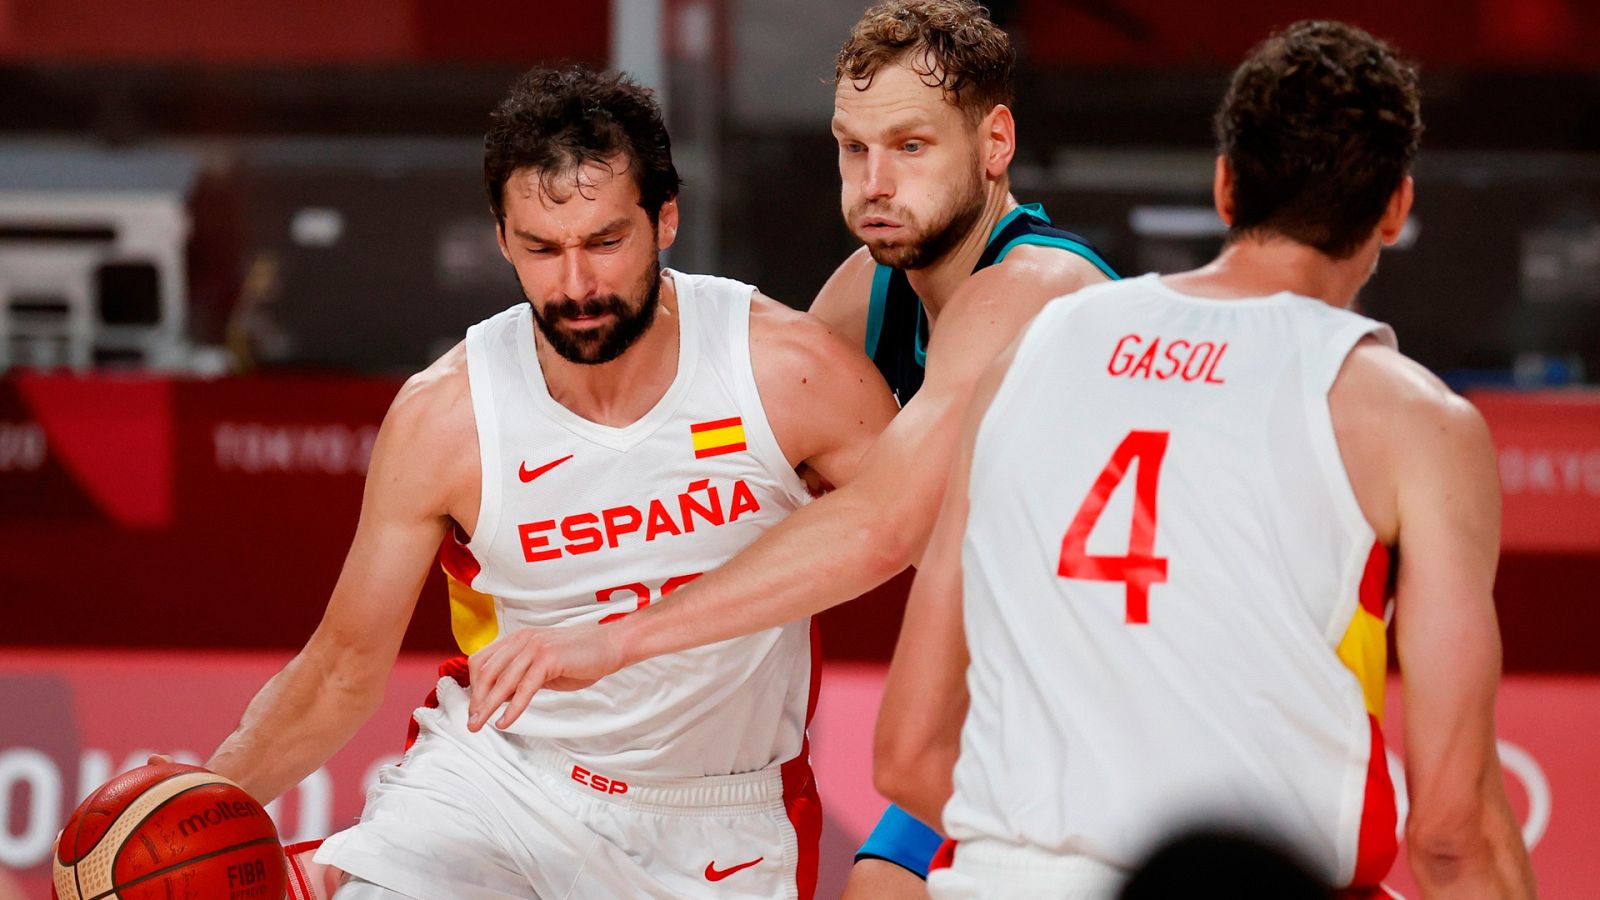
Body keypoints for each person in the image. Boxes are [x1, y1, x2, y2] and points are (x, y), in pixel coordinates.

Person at [151, 65, 898, 899]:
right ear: (503, 240)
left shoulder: (787, 372)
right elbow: (342, 668)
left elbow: (906, 531)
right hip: (500, 783)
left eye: (605, 243)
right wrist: (192, 812)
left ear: (666, 219)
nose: (576, 286)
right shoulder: (446, 415)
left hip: (718, 814)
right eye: (542, 249)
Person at [456, 2, 1116, 895]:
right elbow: (739, 461)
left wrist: (616, 638)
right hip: (1019, 695)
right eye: (854, 148)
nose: (875, 183)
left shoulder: (1031, 284)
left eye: (911, 147)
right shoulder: (872, 286)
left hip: (1132, 697)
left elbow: (879, 524)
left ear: (995, 142)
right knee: (882, 882)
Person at [872, 19, 1537, 900]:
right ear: (1395, 208)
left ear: (1225, 188)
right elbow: (1454, 835)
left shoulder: (1032, 348)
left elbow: (907, 753)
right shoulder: (1413, 418)